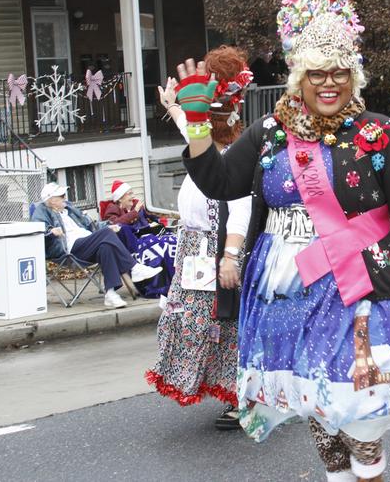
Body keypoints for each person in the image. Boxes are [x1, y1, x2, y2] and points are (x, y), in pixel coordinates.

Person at [159, 0, 390, 482]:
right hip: (287, 291)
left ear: (354, 77)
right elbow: (219, 182)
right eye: (316, 73)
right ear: (298, 78)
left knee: (360, 403)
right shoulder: (270, 132)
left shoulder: (381, 135)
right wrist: (196, 125)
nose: (328, 83)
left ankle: (370, 473)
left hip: (365, 287)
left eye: (340, 73)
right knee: (316, 404)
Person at [147, 45, 252, 431]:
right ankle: (239, 393)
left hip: (218, 249)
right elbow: (187, 127)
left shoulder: (236, 153)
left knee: (226, 326)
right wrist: (173, 104)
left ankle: (247, 397)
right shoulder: (205, 145)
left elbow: (241, 205)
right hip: (194, 250)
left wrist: (230, 257)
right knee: (199, 324)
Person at [31, 183, 161, 308]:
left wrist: (109, 225)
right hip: (70, 249)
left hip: (87, 242)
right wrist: (51, 232)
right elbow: (38, 230)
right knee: (106, 234)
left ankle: (110, 294)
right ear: (52, 200)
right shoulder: (42, 211)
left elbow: (91, 224)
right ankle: (135, 267)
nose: (65, 198)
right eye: (62, 196)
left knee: (106, 247)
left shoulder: (69, 209)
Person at [103, 180, 175, 299]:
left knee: (171, 241)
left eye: (132, 193)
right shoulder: (112, 209)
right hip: (133, 244)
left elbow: (152, 217)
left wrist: (161, 221)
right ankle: (157, 287)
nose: (133, 196)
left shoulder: (137, 205)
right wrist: (134, 212)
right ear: (120, 198)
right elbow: (115, 225)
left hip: (148, 235)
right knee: (158, 248)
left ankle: (174, 283)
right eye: (129, 194)